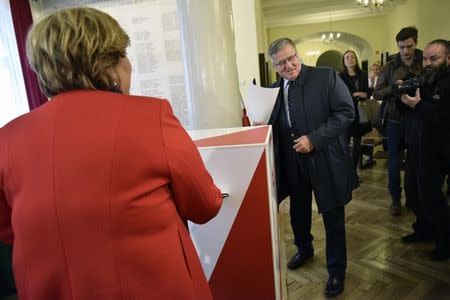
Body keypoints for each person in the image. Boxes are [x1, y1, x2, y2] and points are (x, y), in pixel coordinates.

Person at [0, 7, 223, 300]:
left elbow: (8, 231)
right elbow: (205, 206)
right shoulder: (151, 116)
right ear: (111, 64)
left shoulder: (8, 137)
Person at [266, 38, 358, 297]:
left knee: (333, 217)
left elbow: (345, 112)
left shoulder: (325, 76)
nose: (289, 65)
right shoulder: (274, 89)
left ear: (298, 54)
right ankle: (304, 249)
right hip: (292, 162)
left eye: (291, 57)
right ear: (274, 66)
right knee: (298, 212)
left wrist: (314, 139)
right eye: (281, 63)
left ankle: (337, 271)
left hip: (325, 158)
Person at [400, 39, 450, 260]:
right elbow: (416, 107)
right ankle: (424, 230)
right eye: (426, 58)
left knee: (431, 198)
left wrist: (417, 105)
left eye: (434, 58)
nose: (428, 62)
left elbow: (443, 116)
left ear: (448, 59)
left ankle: (445, 243)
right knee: (412, 194)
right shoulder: (426, 77)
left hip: (437, 151)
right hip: (416, 146)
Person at [373, 27, 423, 216]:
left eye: (409, 46)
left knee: (415, 162)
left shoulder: (424, 62)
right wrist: (395, 88)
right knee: (394, 162)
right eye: (401, 47)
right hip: (395, 120)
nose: (406, 51)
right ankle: (395, 198)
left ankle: (413, 197)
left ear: (416, 43)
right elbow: (376, 92)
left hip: (418, 119)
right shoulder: (390, 66)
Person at [339, 50, 371, 171]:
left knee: (357, 143)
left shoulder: (363, 74)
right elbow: (338, 94)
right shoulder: (340, 76)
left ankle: (353, 171)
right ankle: (345, 169)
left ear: (356, 60)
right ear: (344, 61)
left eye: (353, 57)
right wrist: (354, 94)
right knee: (345, 143)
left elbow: (369, 91)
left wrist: (363, 93)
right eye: (347, 58)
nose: (350, 59)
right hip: (346, 112)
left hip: (360, 111)